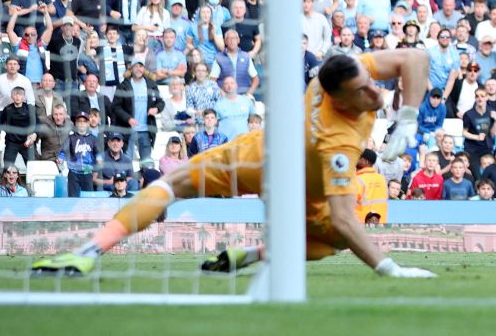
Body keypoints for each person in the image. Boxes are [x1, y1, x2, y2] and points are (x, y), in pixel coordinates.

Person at [34, 50, 436, 279]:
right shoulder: (338, 144)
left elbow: (415, 57)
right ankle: (87, 252)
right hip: (294, 180)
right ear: (341, 101)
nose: (374, 89)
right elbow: (347, 220)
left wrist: (410, 115)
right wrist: (390, 269)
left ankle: (242, 256)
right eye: (362, 90)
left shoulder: (332, 79)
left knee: (174, 183)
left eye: (371, 80)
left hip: (259, 152)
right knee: (335, 237)